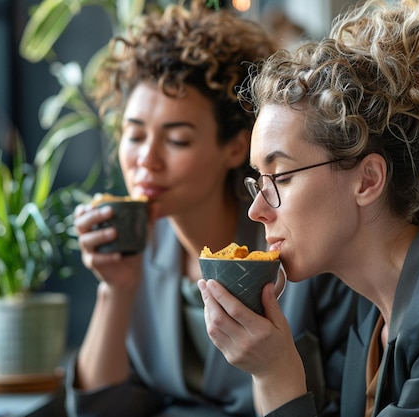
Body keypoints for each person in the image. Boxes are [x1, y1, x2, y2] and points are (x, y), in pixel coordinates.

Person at [66, 1, 360, 416]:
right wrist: (116, 289)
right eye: (134, 136)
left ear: (236, 147)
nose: (145, 160)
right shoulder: (140, 250)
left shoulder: (302, 248)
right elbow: (99, 410)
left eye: (177, 139)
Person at [198, 0, 419, 416]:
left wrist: (275, 374)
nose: (257, 209)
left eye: (284, 177)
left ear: (367, 180)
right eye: (260, 179)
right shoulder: (373, 308)